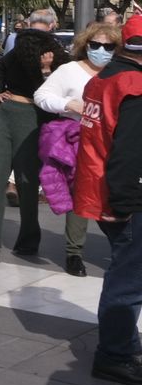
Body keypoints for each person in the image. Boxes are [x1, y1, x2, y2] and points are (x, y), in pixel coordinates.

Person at [71, 14, 142, 385]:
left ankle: (123, 344)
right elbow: (129, 153)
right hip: (123, 197)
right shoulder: (135, 85)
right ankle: (115, 354)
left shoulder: (102, 80)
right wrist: (127, 204)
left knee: (124, 273)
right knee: (128, 280)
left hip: (98, 189)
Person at [0, 12, 65, 254]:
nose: (34, 35)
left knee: (27, 181)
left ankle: (29, 239)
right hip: (8, 113)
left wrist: (46, 70)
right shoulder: (20, 50)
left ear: (51, 28)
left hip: (33, 117)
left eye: (41, 29)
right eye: (32, 28)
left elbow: (55, 92)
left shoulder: (57, 54)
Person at [33, 21, 116, 276]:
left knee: (113, 196)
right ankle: (74, 253)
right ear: (85, 45)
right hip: (77, 139)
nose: (101, 50)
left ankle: (121, 248)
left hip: (112, 142)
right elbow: (41, 96)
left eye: (108, 46)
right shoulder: (69, 70)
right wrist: (68, 103)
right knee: (80, 194)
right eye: (95, 45)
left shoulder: (120, 72)